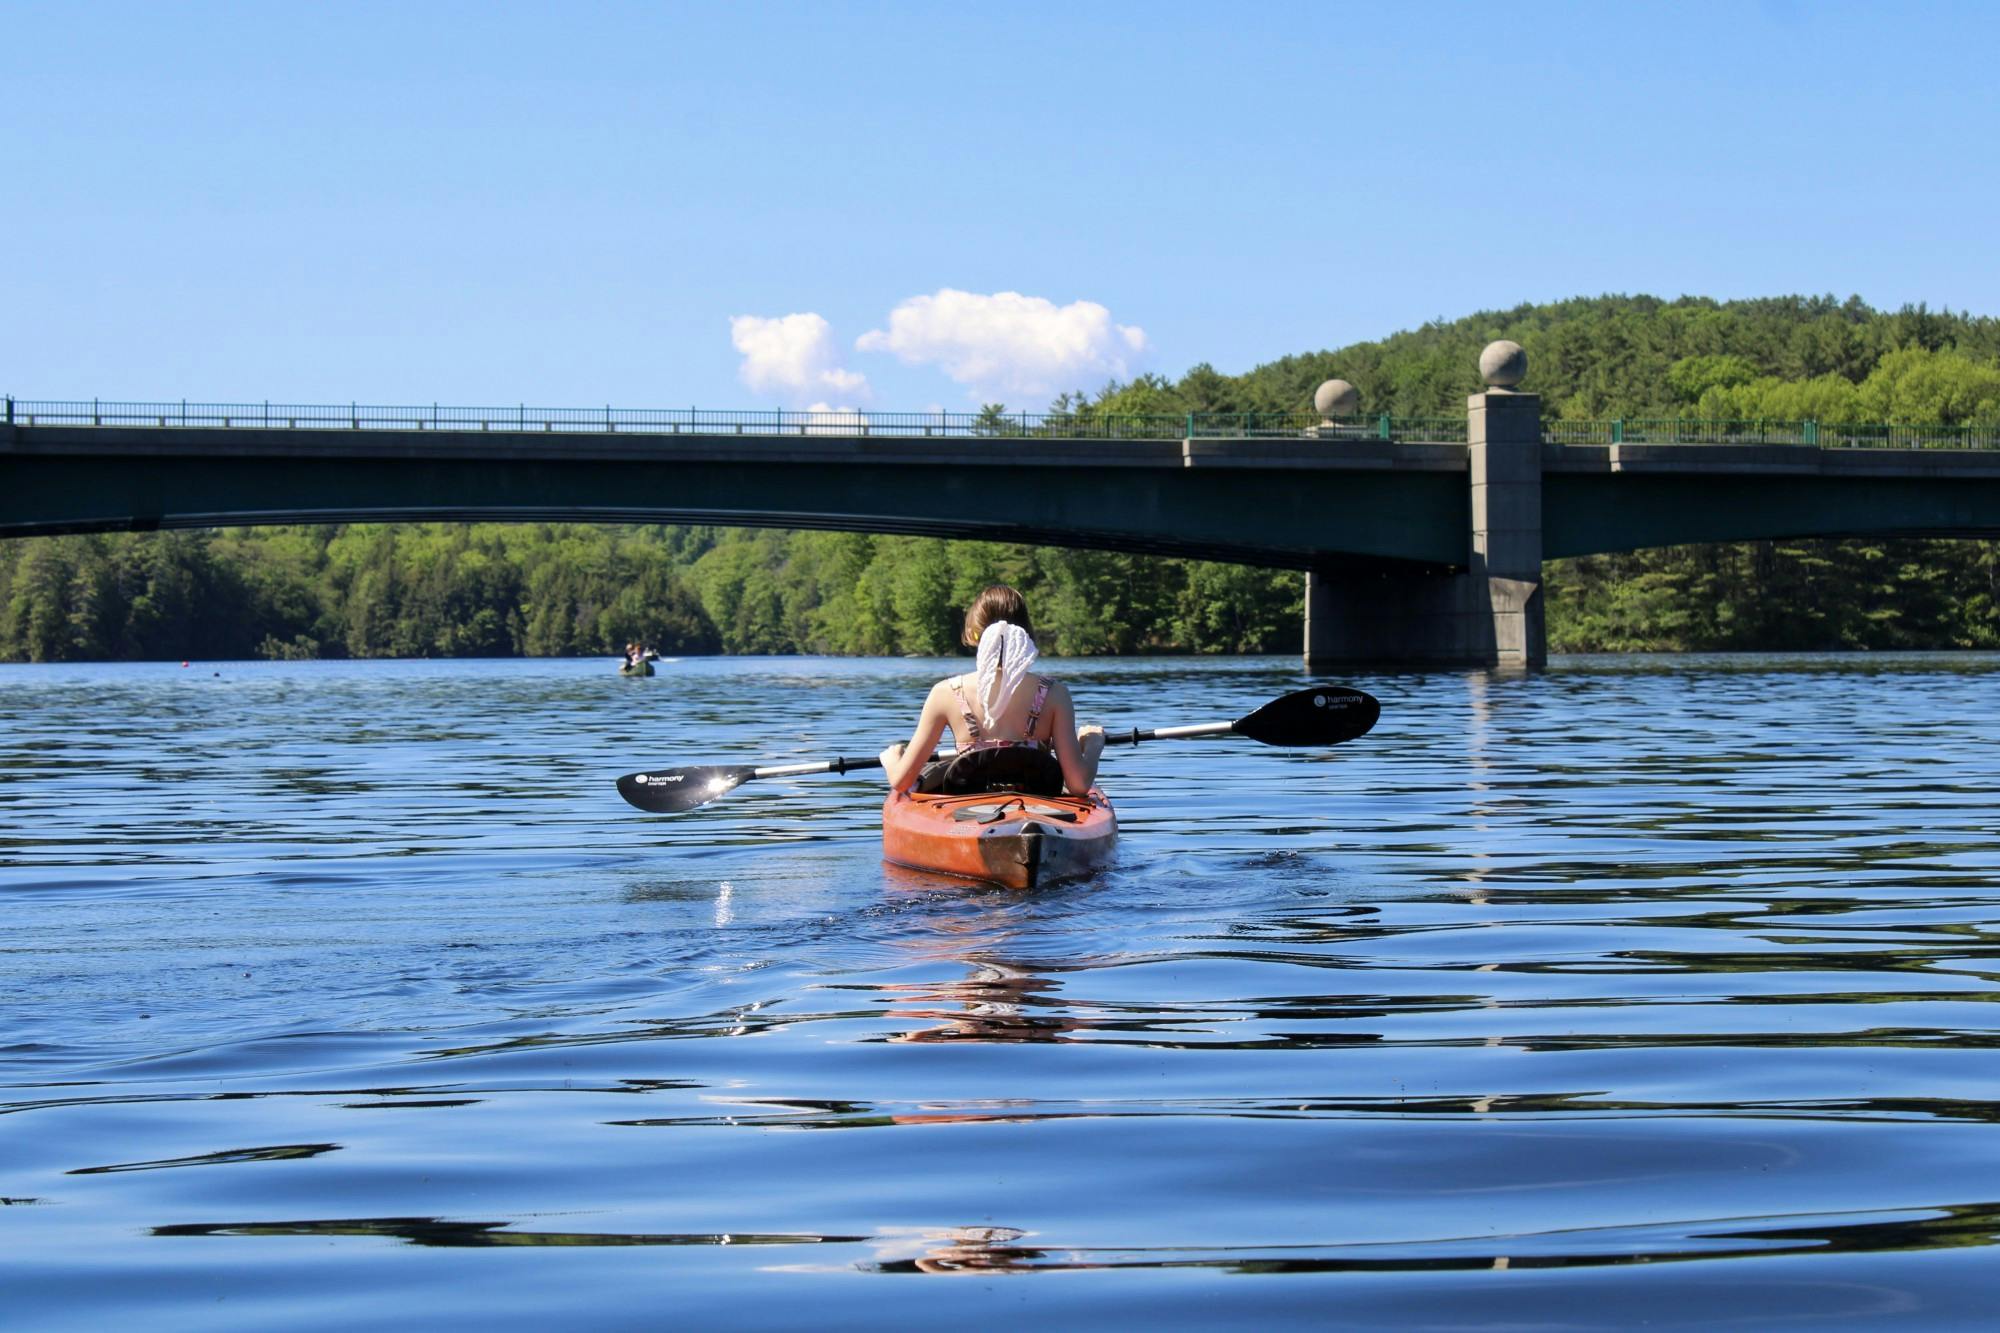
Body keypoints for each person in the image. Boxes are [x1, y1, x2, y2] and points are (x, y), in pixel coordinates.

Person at [878, 585, 1105, 797]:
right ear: (1026, 633)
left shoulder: (945, 693)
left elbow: (902, 782)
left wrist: (893, 759)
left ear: (973, 634)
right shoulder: (1055, 694)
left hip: (968, 801)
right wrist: (1093, 746)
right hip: (1038, 799)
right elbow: (1078, 785)